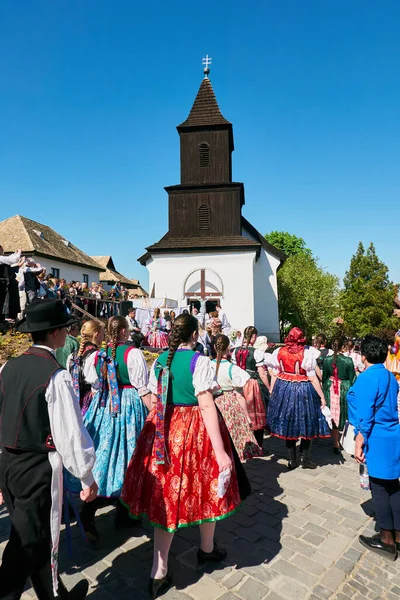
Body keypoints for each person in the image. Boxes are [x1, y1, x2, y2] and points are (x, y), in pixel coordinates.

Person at [121, 314, 245, 599]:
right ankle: (206, 550)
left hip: (163, 431)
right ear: (193, 336)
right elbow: (205, 405)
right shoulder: (199, 362)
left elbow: (153, 399)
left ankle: (158, 570)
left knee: (165, 495)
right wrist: (220, 450)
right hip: (194, 433)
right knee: (205, 489)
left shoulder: (160, 360)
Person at [0, 299, 98, 600]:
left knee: (37, 536)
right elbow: (70, 433)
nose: (69, 333)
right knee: (22, 546)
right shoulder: (56, 375)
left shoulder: (8, 365)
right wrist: (86, 477)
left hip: (7, 465)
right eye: (65, 328)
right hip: (36, 469)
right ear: (55, 333)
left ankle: (54, 594)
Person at [81, 316, 152, 540]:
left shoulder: (96, 356)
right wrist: (156, 415)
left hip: (104, 407)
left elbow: (93, 387)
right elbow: (142, 389)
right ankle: (120, 514)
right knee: (128, 460)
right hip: (128, 409)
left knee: (106, 460)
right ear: (122, 331)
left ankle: (105, 512)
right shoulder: (133, 354)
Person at [349, 335, 400, 560]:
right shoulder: (390, 376)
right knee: (394, 487)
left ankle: (386, 538)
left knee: (378, 488)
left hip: (376, 436)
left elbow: (366, 415)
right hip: (392, 434)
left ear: (364, 355)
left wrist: (359, 441)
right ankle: (398, 534)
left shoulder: (367, 378)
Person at [267, 327, 330, 469]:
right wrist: (322, 396)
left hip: (283, 388)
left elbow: (275, 373)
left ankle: (291, 459)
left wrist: (272, 391)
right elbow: (313, 378)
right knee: (308, 421)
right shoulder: (307, 353)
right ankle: (305, 459)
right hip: (303, 389)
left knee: (289, 423)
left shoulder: (279, 351)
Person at [213, 335, 262, 461]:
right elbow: (239, 396)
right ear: (228, 349)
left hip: (211, 403)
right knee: (231, 436)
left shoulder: (207, 365)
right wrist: (246, 416)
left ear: (214, 347)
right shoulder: (232, 369)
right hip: (229, 404)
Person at [232, 326, 270, 448]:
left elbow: (234, 369)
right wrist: (269, 388)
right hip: (251, 384)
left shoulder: (235, 351)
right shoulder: (256, 352)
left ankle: (243, 443)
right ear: (254, 336)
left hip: (238, 385)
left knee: (242, 412)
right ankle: (257, 445)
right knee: (257, 413)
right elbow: (262, 374)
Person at [322, 336, 356, 453]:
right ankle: (343, 439)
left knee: (333, 415)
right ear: (343, 347)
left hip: (330, 388)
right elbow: (353, 379)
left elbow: (324, 377)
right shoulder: (348, 361)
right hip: (343, 389)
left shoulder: (327, 360)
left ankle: (335, 442)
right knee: (343, 415)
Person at [67, 320, 105, 416]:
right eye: (103, 334)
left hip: (75, 403)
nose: (103, 337)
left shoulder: (72, 356)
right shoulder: (97, 356)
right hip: (91, 403)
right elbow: (96, 386)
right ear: (96, 334)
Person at [0, 246, 21, 323]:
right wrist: (18, 253)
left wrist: (14, 253)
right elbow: (12, 260)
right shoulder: (0, 258)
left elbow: (8, 258)